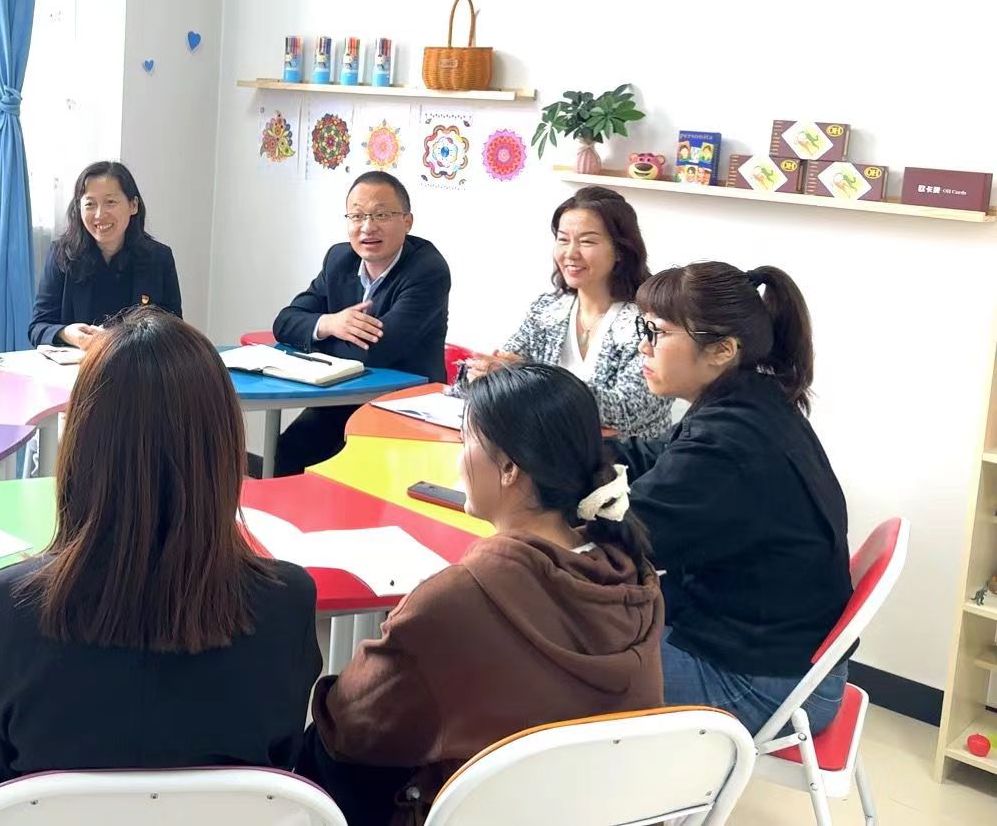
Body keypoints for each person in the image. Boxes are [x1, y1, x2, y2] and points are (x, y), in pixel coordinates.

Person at [0, 309, 320, 793]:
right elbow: (281, 763)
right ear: (223, 446)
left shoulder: (9, 606)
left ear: (82, 445)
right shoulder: (286, 603)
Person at [300, 363, 664, 825]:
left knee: (324, 749)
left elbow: (351, 726)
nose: (458, 461)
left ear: (509, 468)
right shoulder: (633, 577)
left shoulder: (457, 599)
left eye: (465, 441)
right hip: (595, 810)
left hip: (479, 809)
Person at [616, 262, 851, 735]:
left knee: (557, 655)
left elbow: (624, 539)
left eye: (657, 332)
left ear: (722, 350)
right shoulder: (748, 402)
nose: (643, 346)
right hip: (783, 659)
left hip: (770, 688)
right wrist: (569, 447)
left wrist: (542, 497)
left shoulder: (728, 443)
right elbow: (654, 456)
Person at [270, 171, 451, 475]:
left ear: (407, 221)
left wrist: (315, 337)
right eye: (357, 216)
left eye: (381, 215)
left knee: (353, 468)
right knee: (292, 449)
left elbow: (376, 351)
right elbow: (285, 322)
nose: (368, 227)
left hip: (404, 406)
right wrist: (330, 323)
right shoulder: (339, 258)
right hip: (340, 399)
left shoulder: (427, 269)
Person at [462, 187, 671, 437]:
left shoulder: (651, 323)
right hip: (546, 448)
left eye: (587, 241)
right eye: (563, 240)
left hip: (622, 456)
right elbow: (506, 368)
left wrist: (530, 380)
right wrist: (487, 371)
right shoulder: (547, 310)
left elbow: (627, 409)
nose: (570, 253)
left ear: (620, 250)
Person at [29, 160, 182, 348]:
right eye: (90, 204)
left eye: (110, 202)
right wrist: (66, 333)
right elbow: (38, 327)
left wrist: (126, 339)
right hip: (81, 364)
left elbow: (175, 331)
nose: (99, 215)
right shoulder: (62, 254)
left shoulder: (159, 258)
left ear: (133, 205)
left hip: (137, 363)